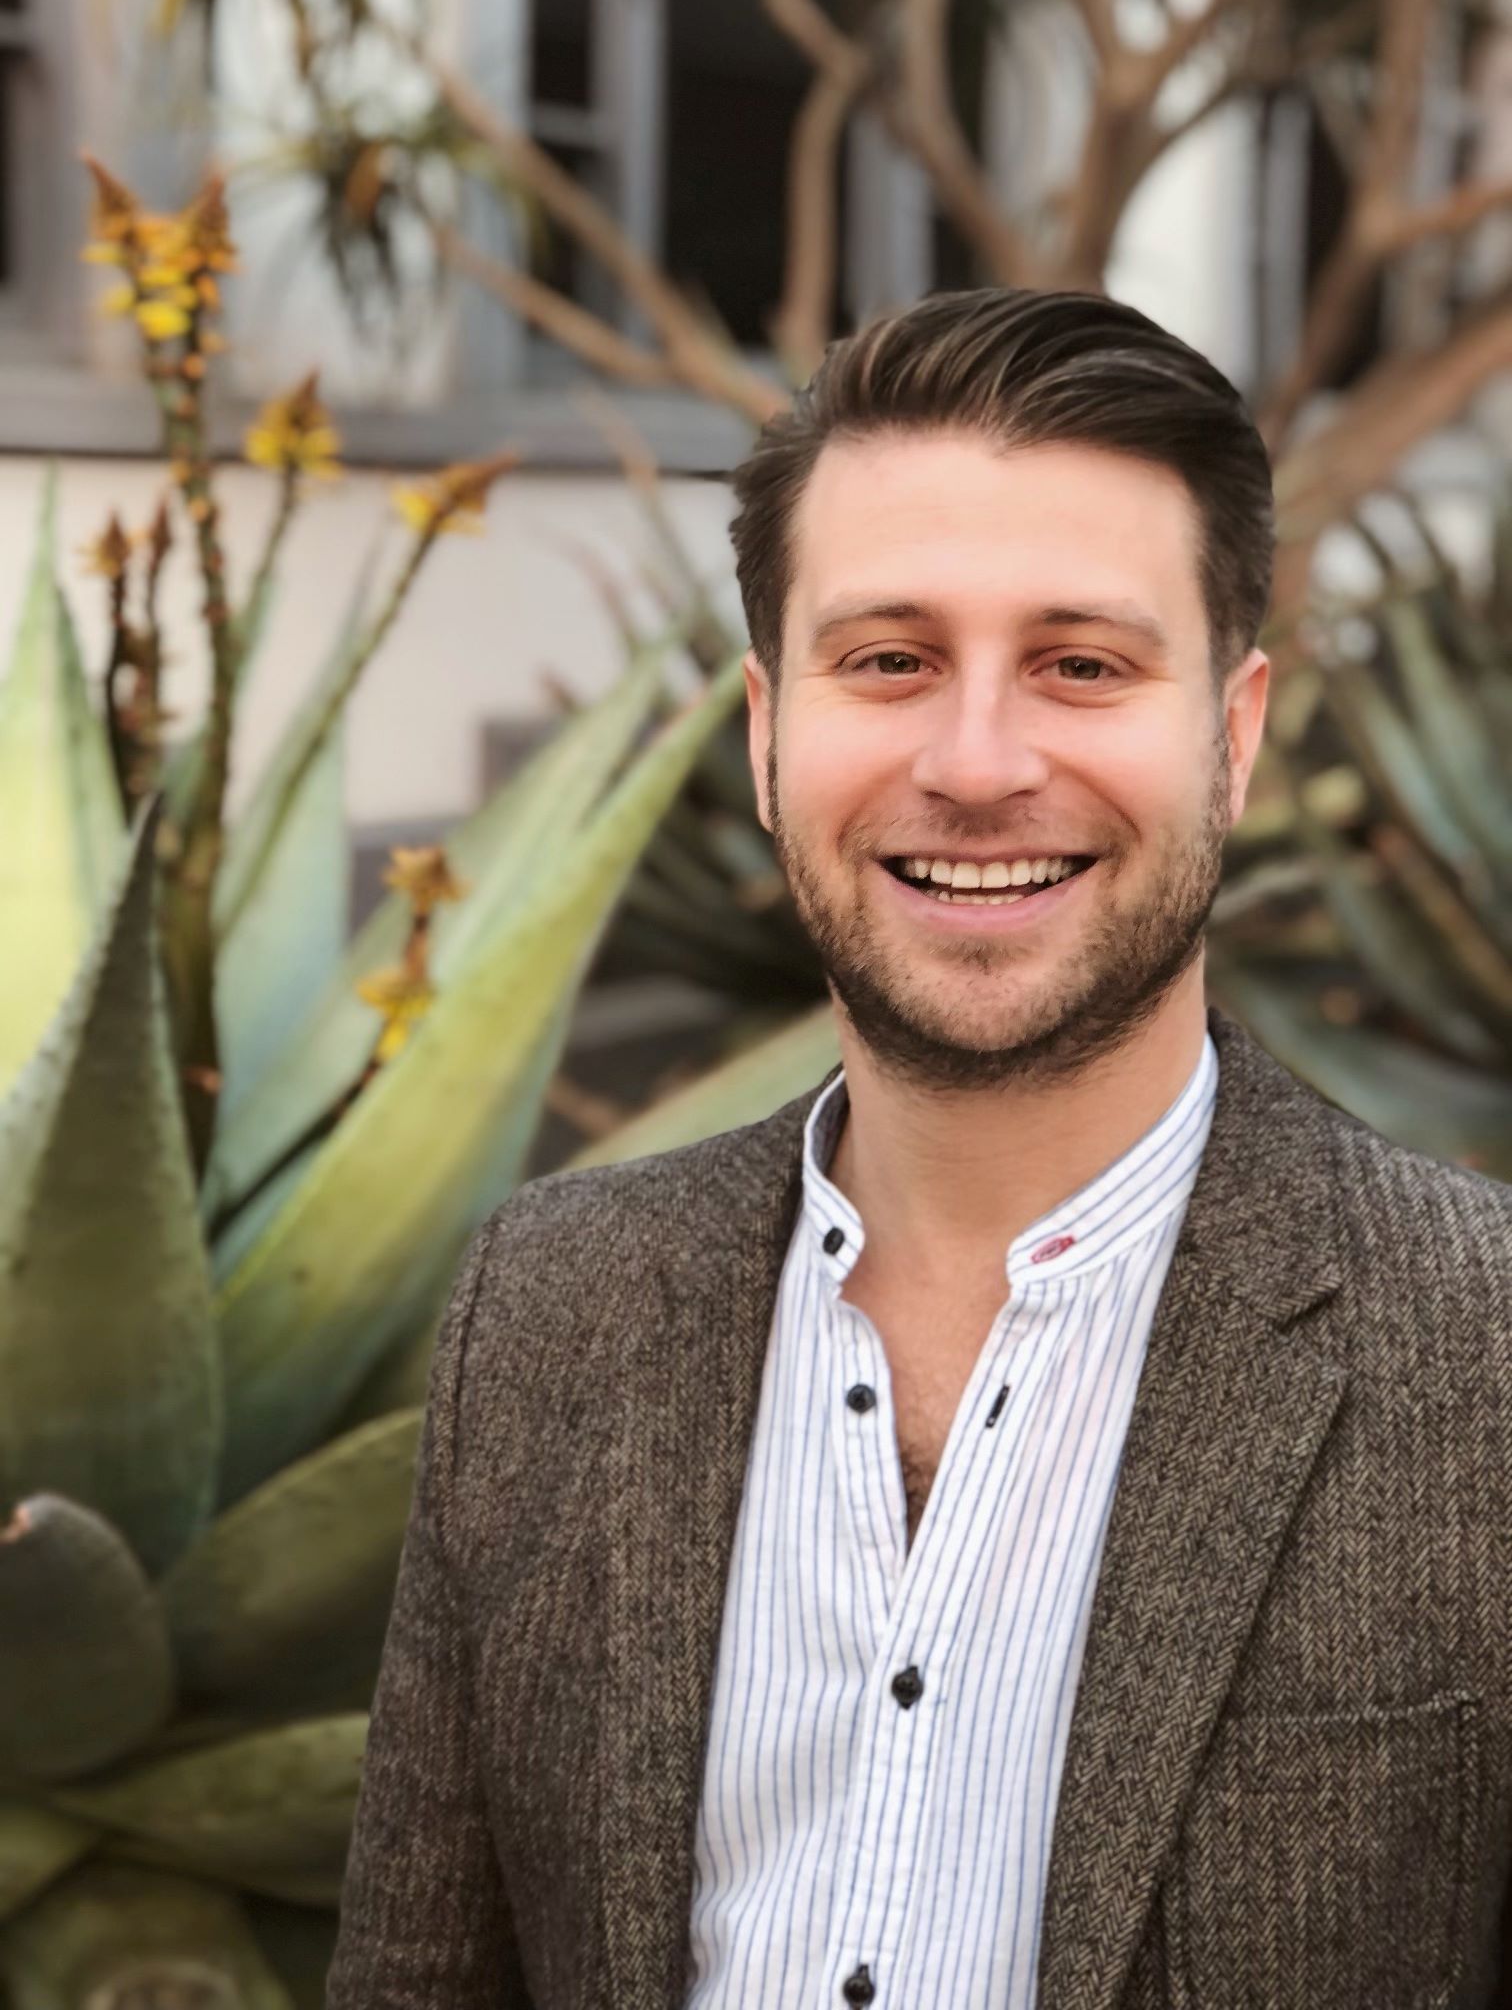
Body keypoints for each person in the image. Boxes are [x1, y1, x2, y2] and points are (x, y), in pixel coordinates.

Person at [325, 289, 1512, 2010]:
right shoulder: (551, 1308)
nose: (975, 763)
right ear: (764, 731)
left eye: (1081, 666)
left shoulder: (1482, 1355)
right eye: (888, 661)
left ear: (1233, 737)